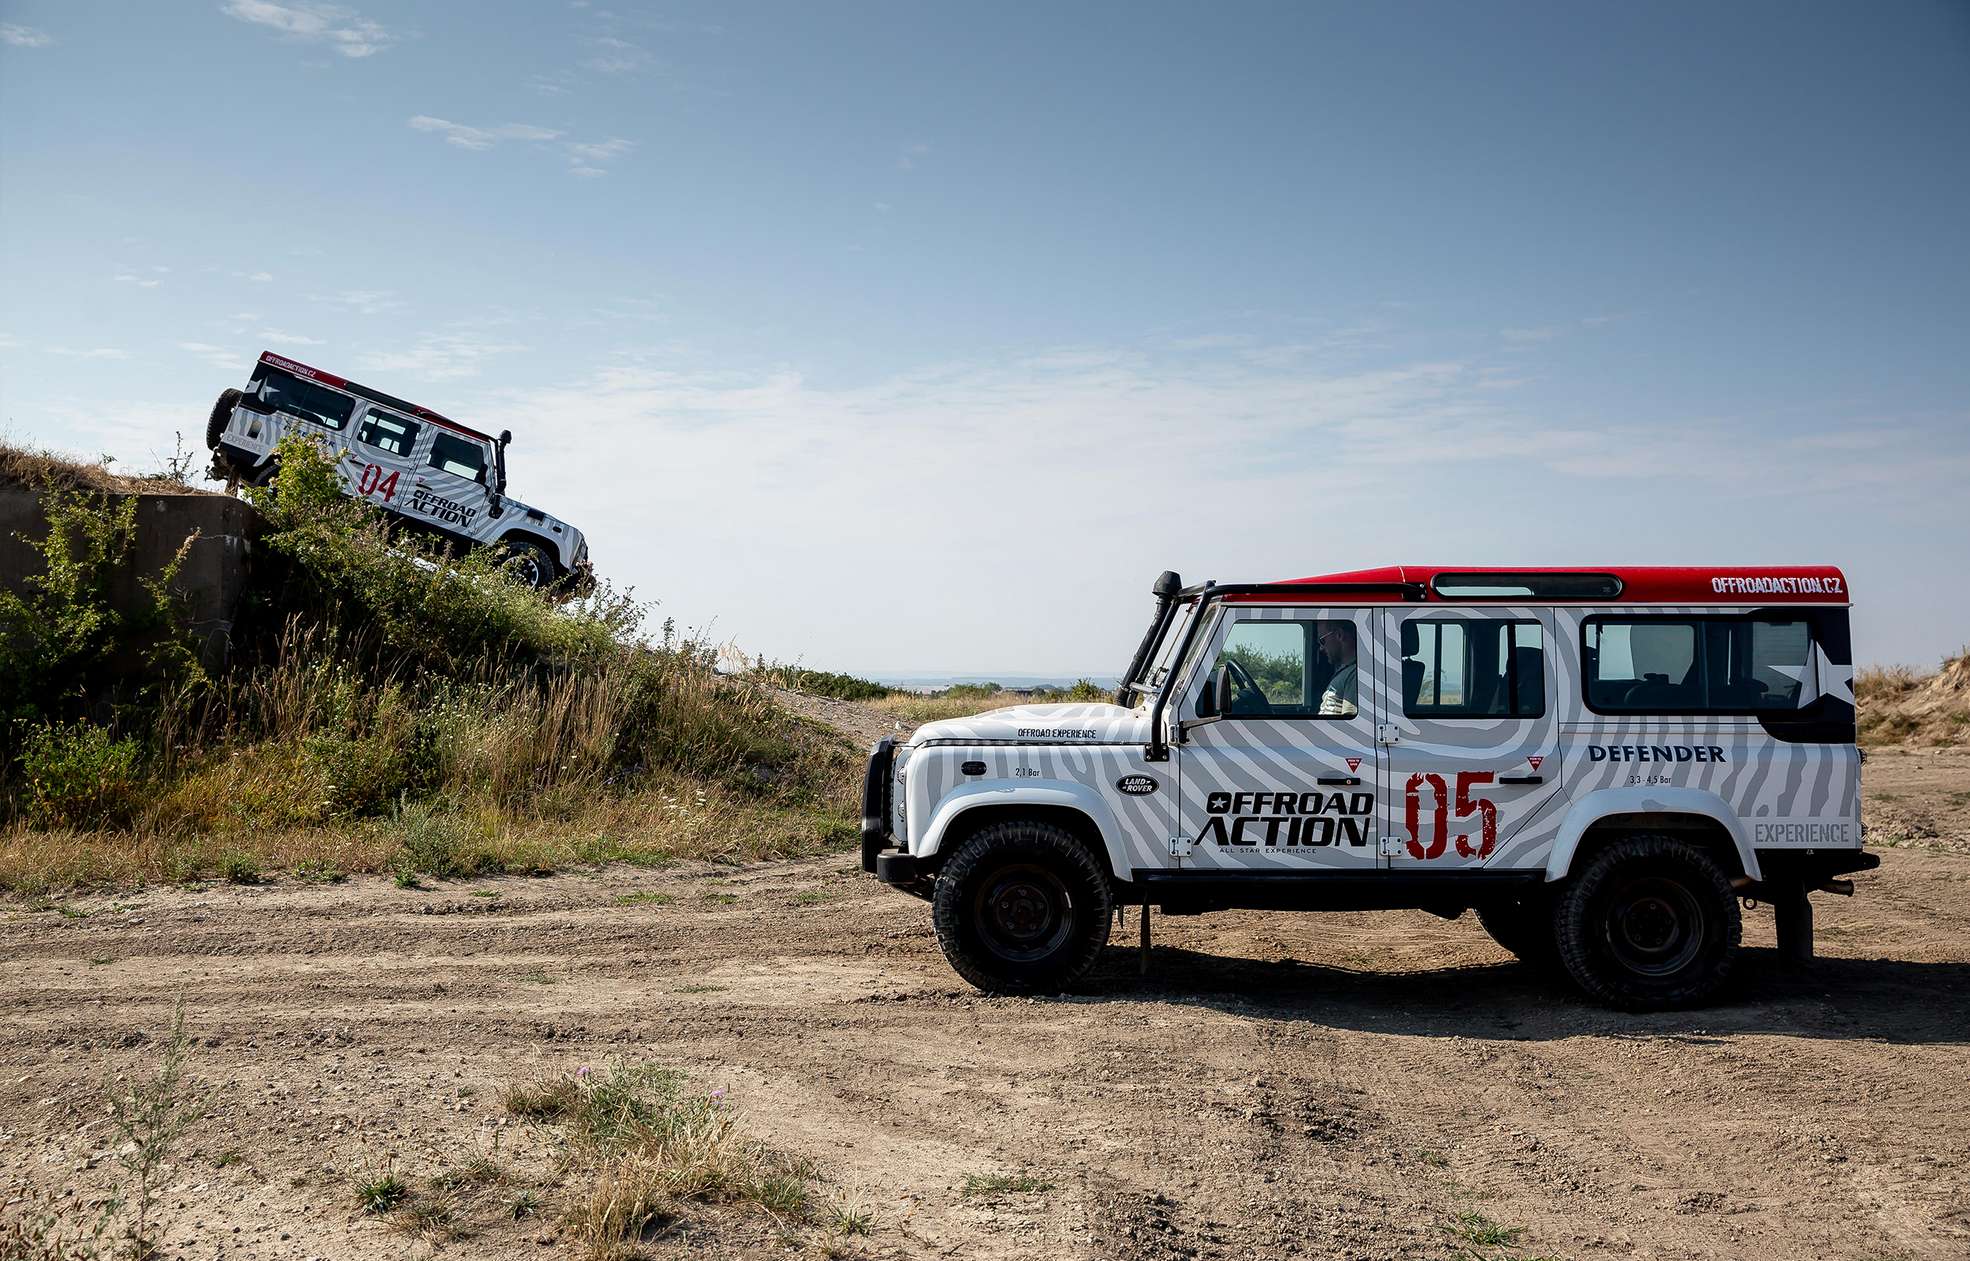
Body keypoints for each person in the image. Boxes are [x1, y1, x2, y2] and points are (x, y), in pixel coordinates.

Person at [1318, 623, 1358, 717]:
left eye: (1322, 641)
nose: (1321, 648)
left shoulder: (1355, 674)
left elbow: (1350, 722)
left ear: (1339, 635)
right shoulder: (1345, 671)